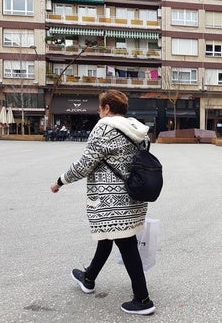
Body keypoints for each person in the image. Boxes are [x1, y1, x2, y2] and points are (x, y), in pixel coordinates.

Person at [50, 89, 155, 315]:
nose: (99, 111)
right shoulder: (139, 131)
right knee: (108, 237)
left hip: (111, 200)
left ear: (107, 108)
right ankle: (88, 278)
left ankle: (143, 299)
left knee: (126, 244)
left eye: (100, 108)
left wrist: (60, 180)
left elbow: (84, 164)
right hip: (134, 196)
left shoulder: (104, 128)